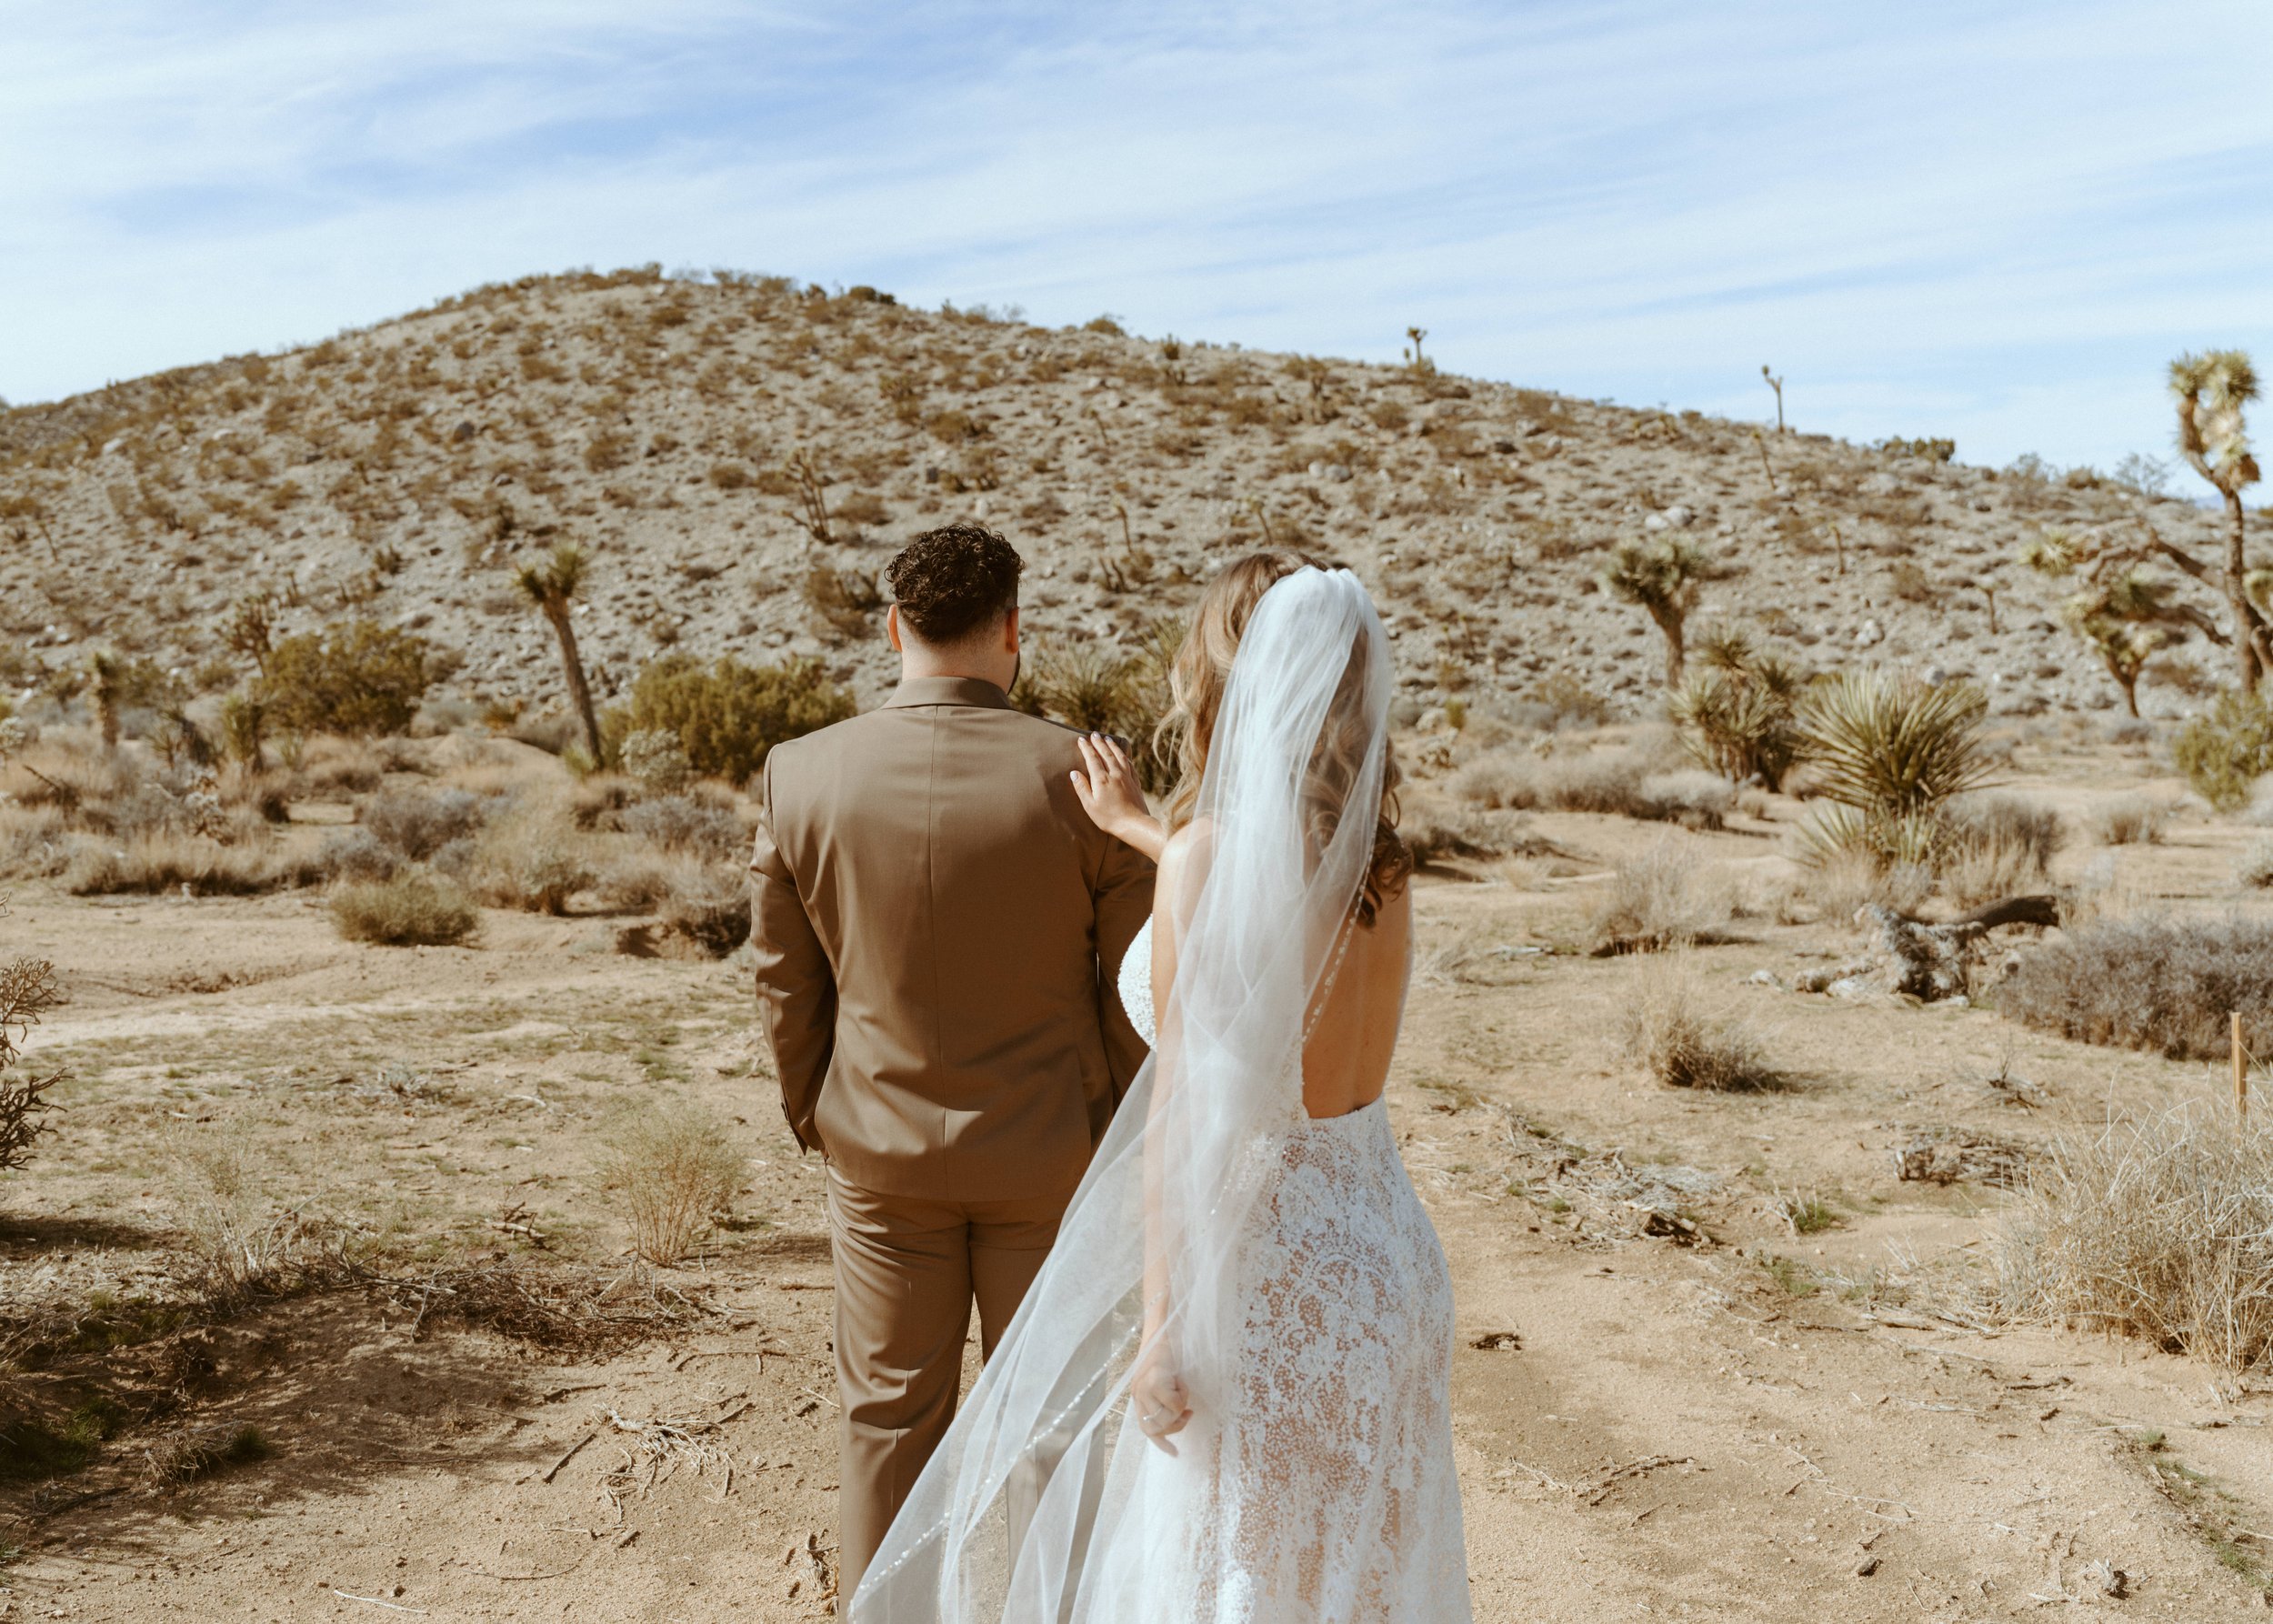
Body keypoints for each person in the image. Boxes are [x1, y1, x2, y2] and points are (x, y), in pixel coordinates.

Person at [854, 551, 1472, 1622]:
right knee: (1357, 1577)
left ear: (1227, 684)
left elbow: (1185, 1125)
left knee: (1236, 1570)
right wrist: (1151, 833)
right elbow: (1268, 920)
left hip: (1269, 1273)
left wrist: (1157, 1332)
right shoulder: (1381, 861)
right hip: (1387, 1260)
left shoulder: (1203, 863)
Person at [748, 524, 1156, 1599]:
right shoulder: (1084, 776)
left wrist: (819, 1115)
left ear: (894, 629)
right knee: (1054, 1425)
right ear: (1012, 631)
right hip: (1049, 1158)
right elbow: (1131, 989)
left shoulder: (800, 774)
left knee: (887, 1420)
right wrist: (1113, 1136)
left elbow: (787, 985)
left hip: (879, 1155)